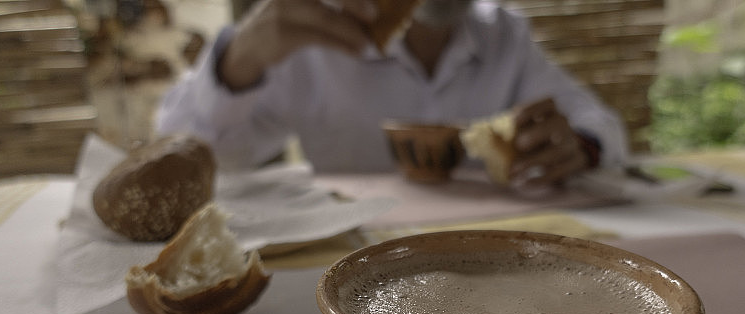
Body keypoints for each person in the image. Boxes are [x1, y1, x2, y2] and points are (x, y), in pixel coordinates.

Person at [155, 0, 629, 188]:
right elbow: (188, 155)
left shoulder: (503, 34)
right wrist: (237, 61)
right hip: (349, 265)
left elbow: (599, 123)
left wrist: (581, 146)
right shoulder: (310, 41)